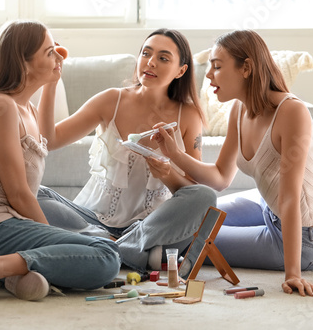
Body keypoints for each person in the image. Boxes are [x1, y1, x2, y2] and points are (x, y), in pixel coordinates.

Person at [0, 20, 120, 305]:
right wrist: (51, 237)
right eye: (49, 52)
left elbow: (48, 137)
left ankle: (14, 274)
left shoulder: (26, 108)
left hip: (4, 224)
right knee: (106, 257)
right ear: (23, 62)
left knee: (52, 202)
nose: (59, 57)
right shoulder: (2, 106)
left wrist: (54, 81)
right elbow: (18, 193)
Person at [153, 30, 313, 296]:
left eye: (217, 66)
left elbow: (290, 198)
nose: (208, 75)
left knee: (193, 239)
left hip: (306, 235)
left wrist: (293, 274)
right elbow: (220, 176)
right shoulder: (239, 109)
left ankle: (141, 249)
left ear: (247, 68)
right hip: (268, 205)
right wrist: (174, 154)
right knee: (191, 217)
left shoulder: (292, 113)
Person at [37, 28, 217, 274]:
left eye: (163, 58)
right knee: (34, 192)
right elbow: (50, 139)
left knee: (205, 197)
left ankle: (107, 251)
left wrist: (166, 173)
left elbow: (190, 191)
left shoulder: (187, 115)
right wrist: (51, 82)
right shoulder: (111, 100)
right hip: (92, 221)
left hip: (150, 228)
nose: (150, 62)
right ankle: (123, 251)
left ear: (181, 71)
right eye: (146, 53)